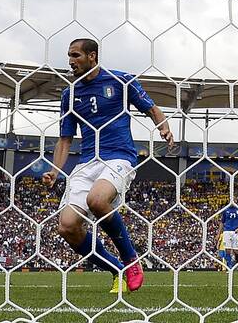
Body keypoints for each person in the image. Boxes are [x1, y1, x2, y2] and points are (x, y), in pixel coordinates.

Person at [42, 38, 173, 294]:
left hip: (118, 156)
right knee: (67, 226)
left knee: (97, 200)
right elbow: (65, 139)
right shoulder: (70, 93)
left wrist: (163, 126)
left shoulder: (121, 81)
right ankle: (116, 269)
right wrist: (55, 171)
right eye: (69, 55)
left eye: (76, 55)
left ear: (92, 56)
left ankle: (131, 259)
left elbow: (152, 108)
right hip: (86, 162)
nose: (71, 61)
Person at [219, 203, 238, 269]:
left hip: (235, 231)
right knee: (227, 249)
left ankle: (237, 261)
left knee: (236, 250)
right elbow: (222, 222)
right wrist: (218, 233)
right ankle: (229, 265)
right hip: (227, 231)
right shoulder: (225, 210)